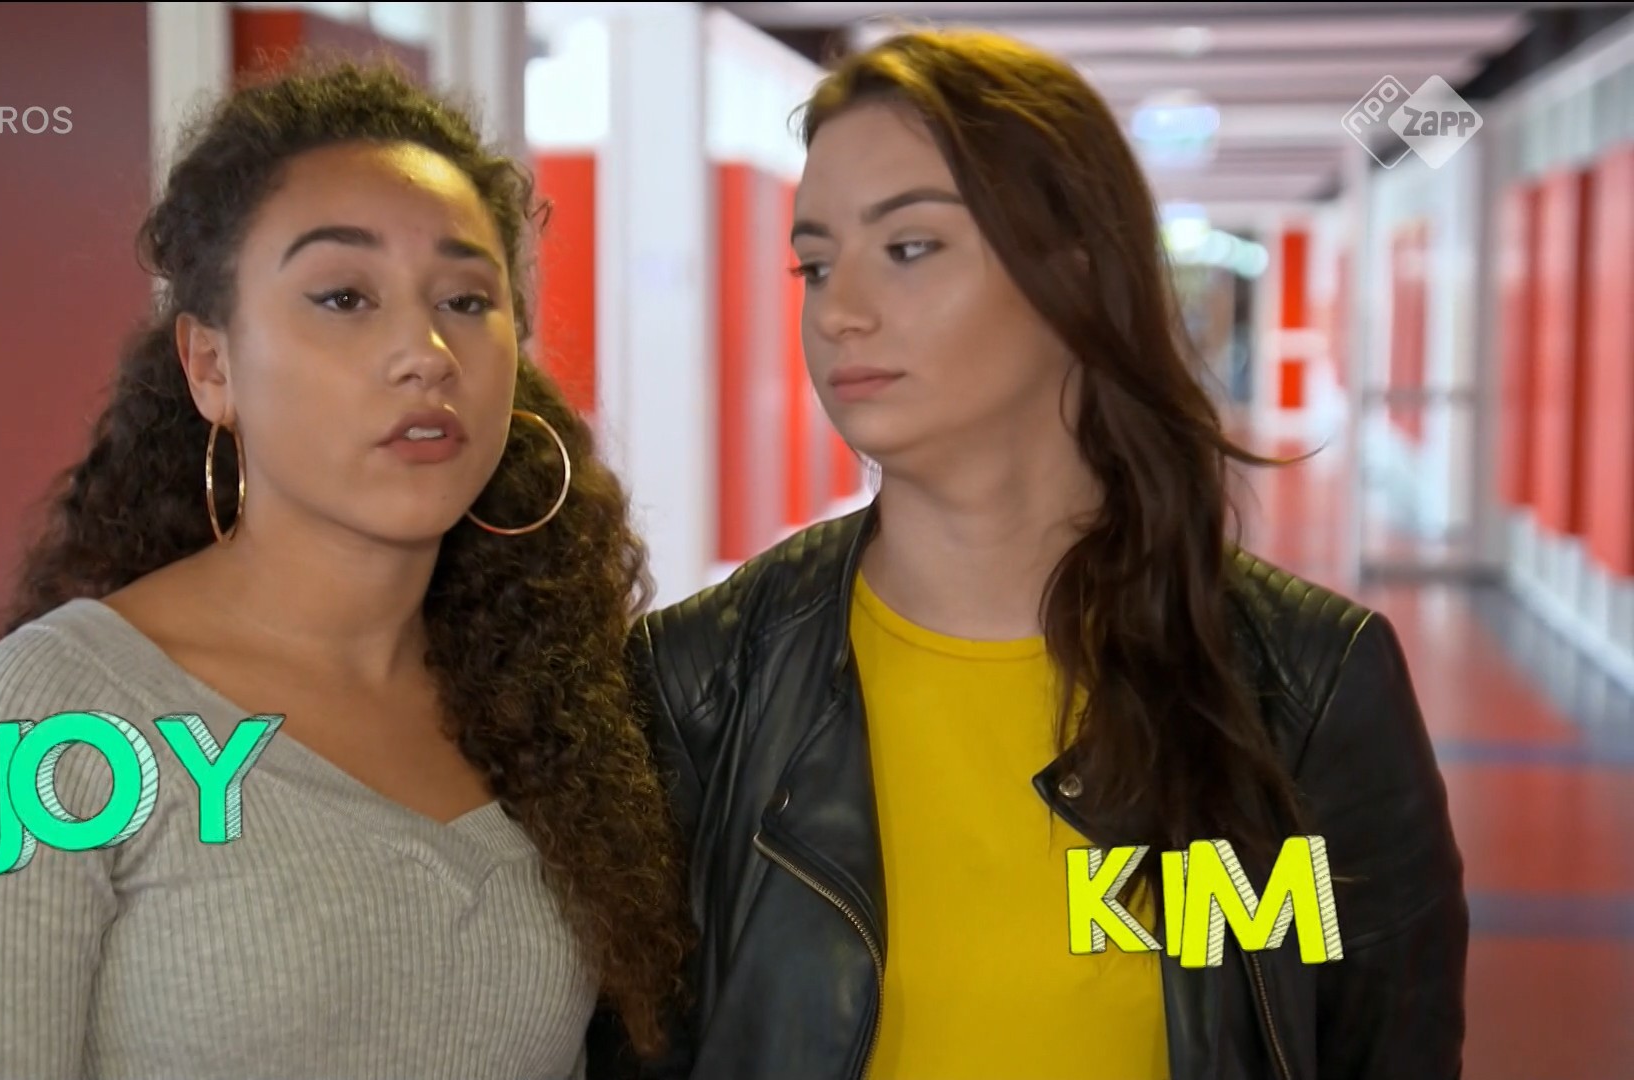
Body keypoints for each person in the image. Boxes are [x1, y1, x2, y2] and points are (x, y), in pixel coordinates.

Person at [588, 28, 1467, 1080]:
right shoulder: (700, 689)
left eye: (909, 247)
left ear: (1075, 272)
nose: (840, 312)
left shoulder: (1301, 690)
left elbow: (1372, 1043)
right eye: (816, 263)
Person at [0, 59, 690, 1080]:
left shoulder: (555, 711)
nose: (426, 352)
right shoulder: (59, 721)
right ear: (212, 366)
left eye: (466, 298)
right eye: (345, 295)